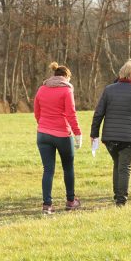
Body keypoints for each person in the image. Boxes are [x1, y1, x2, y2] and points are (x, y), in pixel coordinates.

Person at [90, 59, 131, 206]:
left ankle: (117, 194)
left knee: (118, 164)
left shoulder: (108, 90)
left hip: (110, 137)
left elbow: (98, 113)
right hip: (130, 138)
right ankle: (121, 199)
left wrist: (94, 133)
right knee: (124, 167)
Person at [34, 62, 82, 214]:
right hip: (62, 134)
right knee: (68, 167)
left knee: (48, 170)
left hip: (43, 134)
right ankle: (70, 201)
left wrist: (43, 125)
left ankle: (47, 205)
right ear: (66, 77)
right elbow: (71, 114)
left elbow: (37, 111)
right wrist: (78, 133)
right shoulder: (67, 90)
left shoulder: (42, 89)